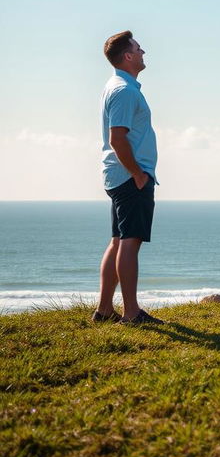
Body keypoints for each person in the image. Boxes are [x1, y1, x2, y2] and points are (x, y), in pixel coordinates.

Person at [93, 31, 164, 326]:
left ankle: (105, 310)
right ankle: (132, 313)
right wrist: (137, 173)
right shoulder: (124, 90)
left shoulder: (119, 86)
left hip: (119, 176)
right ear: (128, 56)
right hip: (129, 176)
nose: (143, 50)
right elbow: (117, 138)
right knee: (129, 243)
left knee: (118, 241)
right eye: (138, 47)